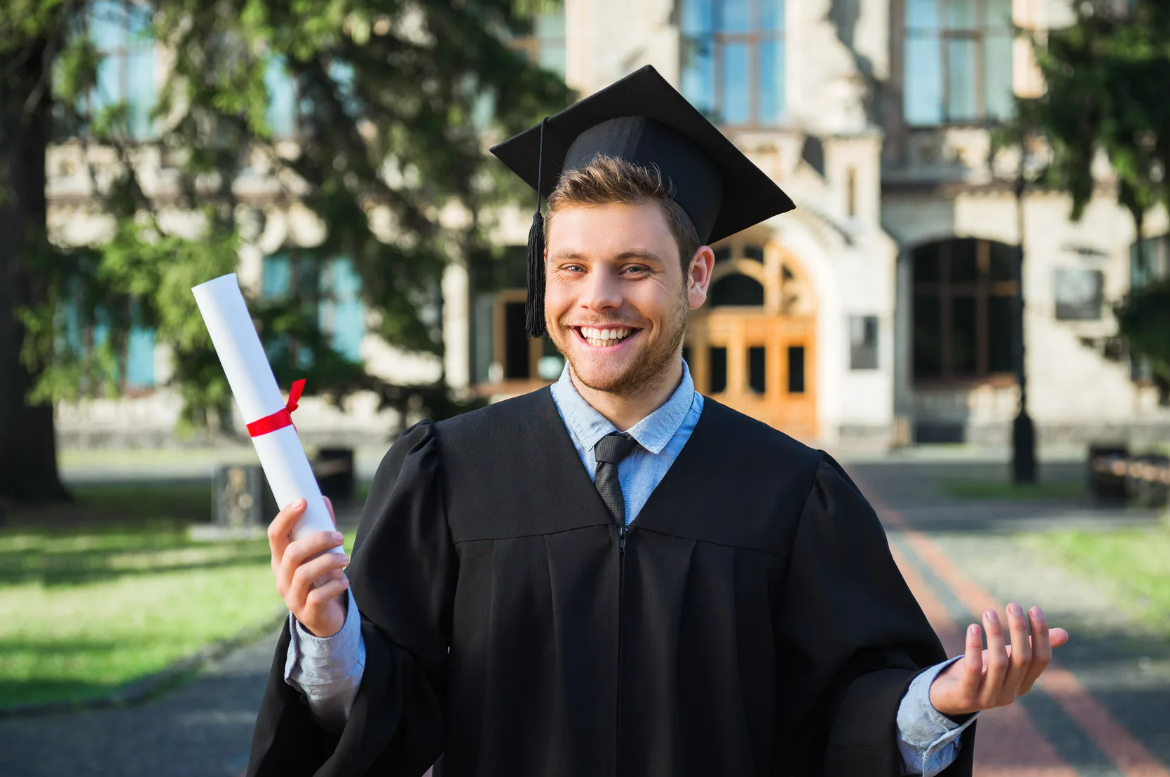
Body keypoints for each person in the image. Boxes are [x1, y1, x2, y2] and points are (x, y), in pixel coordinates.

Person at [247, 66, 1068, 777]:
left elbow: (846, 710)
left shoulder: (791, 492)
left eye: (634, 268)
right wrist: (327, 637)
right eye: (570, 267)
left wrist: (938, 699)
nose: (597, 297)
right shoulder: (448, 475)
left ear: (698, 275)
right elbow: (392, 714)